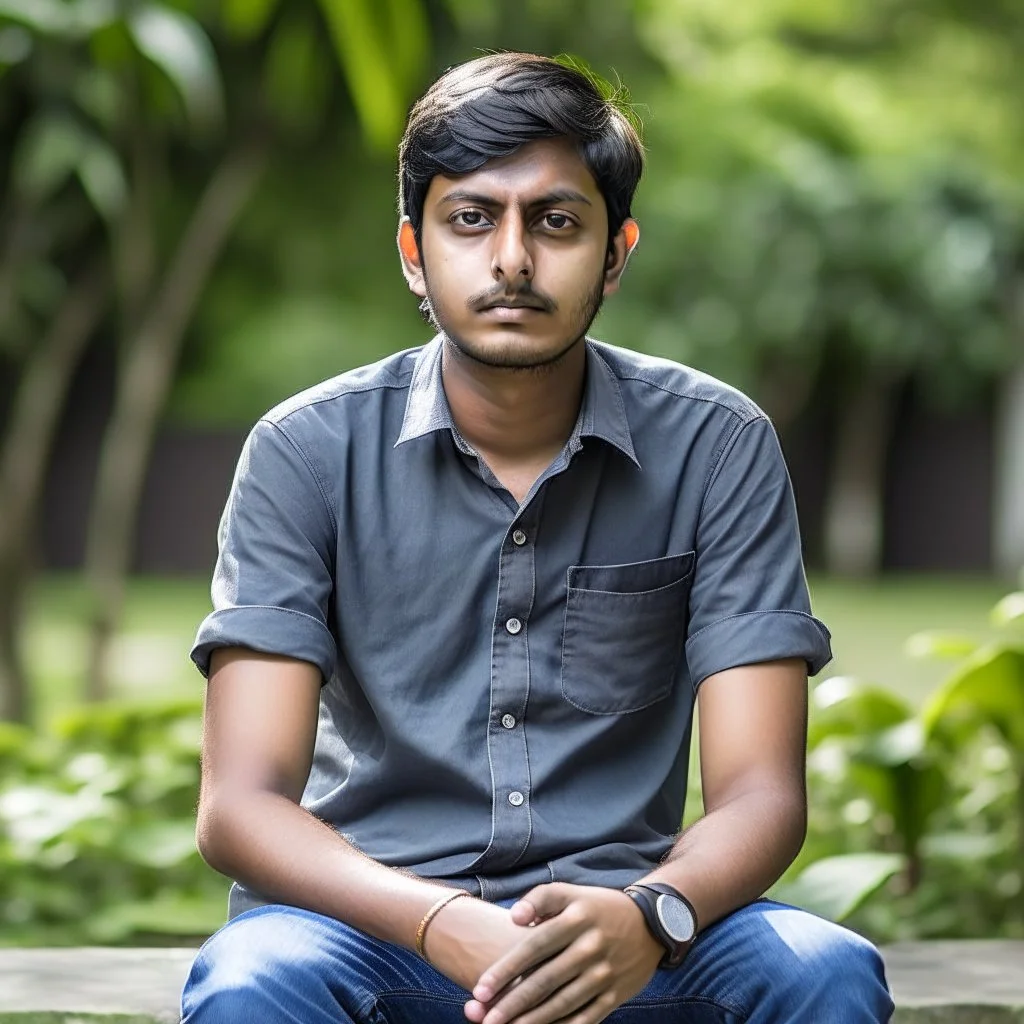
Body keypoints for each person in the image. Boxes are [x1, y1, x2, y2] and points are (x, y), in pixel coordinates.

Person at [180, 52, 894, 1024]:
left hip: (632, 938)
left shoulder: (717, 446)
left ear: (615, 253)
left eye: (554, 221)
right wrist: (434, 918)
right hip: (372, 931)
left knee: (822, 969)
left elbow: (760, 795)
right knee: (253, 979)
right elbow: (240, 806)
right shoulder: (306, 452)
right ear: (411, 251)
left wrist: (652, 912)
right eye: (471, 218)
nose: (511, 258)